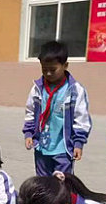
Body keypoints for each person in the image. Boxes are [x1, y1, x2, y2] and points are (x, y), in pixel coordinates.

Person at [22, 40, 92, 176]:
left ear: (65, 65)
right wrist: (29, 133)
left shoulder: (75, 90)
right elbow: (30, 111)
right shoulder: (37, 88)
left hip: (63, 149)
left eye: (53, 70)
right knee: (43, 184)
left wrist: (78, 143)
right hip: (41, 148)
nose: (48, 74)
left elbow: (81, 118)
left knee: (62, 184)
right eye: (44, 69)